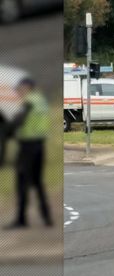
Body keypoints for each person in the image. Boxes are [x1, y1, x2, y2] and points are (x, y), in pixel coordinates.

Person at [4, 78, 52, 229]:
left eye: (20, 88)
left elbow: (18, 121)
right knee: (37, 182)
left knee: (22, 182)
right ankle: (47, 217)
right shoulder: (41, 101)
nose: (18, 91)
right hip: (40, 145)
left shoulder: (29, 102)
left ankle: (21, 219)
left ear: (27, 87)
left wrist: (6, 132)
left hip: (27, 147)